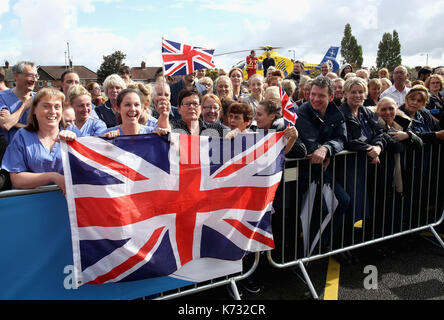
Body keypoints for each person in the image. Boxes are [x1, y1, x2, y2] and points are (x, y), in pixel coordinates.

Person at [295, 76, 350, 255]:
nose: (316, 99)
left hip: (324, 171)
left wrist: (327, 148)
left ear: (331, 97)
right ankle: (307, 252)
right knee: (311, 213)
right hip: (307, 174)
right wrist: (322, 149)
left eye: (321, 95)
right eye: (313, 94)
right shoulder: (303, 111)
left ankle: (318, 246)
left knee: (339, 203)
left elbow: (342, 139)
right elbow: (311, 145)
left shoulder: (335, 112)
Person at [1, 87, 77, 195]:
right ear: (35, 110)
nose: (52, 111)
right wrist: (52, 176)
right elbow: (17, 180)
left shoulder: (73, 134)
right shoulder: (22, 136)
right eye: (46, 106)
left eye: (57, 107)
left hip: (67, 204)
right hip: (32, 204)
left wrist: (75, 144)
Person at [338, 77, 386, 244]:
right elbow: (345, 138)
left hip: (366, 166)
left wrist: (378, 148)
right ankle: (343, 242)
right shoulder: (339, 113)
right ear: (345, 93)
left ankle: (360, 240)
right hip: (348, 168)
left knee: (366, 203)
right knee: (350, 205)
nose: (357, 95)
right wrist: (369, 149)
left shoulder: (367, 112)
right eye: (353, 92)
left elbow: (379, 133)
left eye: (360, 92)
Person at [103, 88, 170, 138]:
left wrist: (163, 135)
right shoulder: (107, 134)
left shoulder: (152, 133)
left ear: (142, 107)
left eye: (136, 105)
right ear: (118, 109)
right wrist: (106, 143)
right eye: (127, 105)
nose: (132, 109)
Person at [0, 61, 37, 142]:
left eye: (36, 76)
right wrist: (24, 106)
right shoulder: (2, 97)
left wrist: (15, 123)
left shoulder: (40, 97)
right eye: (30, 75)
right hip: (8, 151)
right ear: (16, 76)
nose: (35, 80)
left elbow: (44, 127)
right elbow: (6, 124)